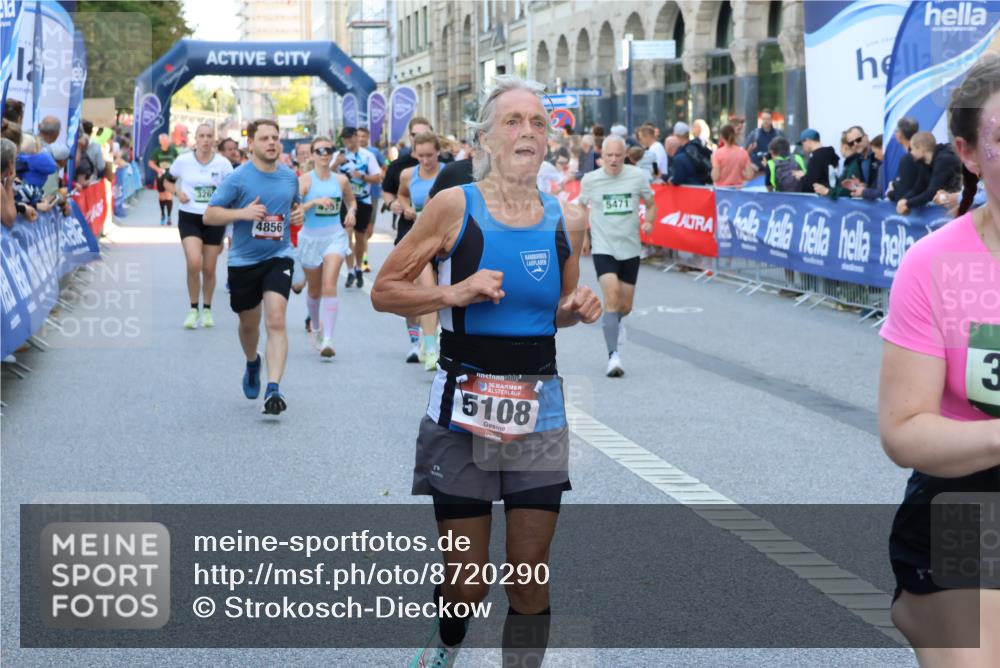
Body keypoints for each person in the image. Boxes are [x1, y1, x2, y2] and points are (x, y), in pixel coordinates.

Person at [371, 76, 601, 668]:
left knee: (528, 580)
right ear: (484, 138)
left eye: (538, 122)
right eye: (513, 121)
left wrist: (574, 311)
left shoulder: (568, 217)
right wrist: (455, 292)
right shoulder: (454, 205)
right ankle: (446, 641)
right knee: (468, 584)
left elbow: (555, 311)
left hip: (539, 412)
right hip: (461, 411)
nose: (527, 131)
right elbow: (385, 290)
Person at [877, 55, 1000, 666]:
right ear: (970, 153)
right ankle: (930, 605)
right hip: (971, 499)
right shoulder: (935, 265)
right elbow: (903, 429)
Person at [203, 119, 304, 415]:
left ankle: (273, 388)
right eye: (264, 138)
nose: (271, 142)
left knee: (276, 320)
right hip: (244, 260)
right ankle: (252, 362)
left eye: (275, 138)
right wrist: (243, 213)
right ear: (251, 145)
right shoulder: (238, 178)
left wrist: (297, 217)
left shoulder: (289, 177)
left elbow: (293, 208)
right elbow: (210, 215)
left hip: (279, 255)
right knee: (249, 324)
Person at [577, 135, 656, 377]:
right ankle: (613, 357)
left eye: (618, 156)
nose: (613, 160)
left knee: (625, 305)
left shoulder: (636, 176)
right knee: (611, 298)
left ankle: (616, 322)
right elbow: (581, 206)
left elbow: (651, 203)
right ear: (602, 156)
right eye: (609, 155)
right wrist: (585, 237)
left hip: (630, 248)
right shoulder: (591, 180)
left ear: (625, 156)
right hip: (604, 247)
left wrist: (649, 222)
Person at [169, 123, 234, 329]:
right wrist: (178, 193)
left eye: (209, 136)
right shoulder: (183, 161)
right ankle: (193, 308)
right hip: (190, 216)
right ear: (195, 139)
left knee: (209, 268)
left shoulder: (223, 164)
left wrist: (229, 225)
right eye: (202, 136)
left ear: (214, 140)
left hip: (214, 218)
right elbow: (166, 181)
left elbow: (233, 192)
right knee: (194, 262)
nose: (205, 140)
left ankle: (207, 308)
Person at [381, 116, 436, 355]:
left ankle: (430, 339)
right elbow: (390, 193)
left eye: (424, 134)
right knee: (414, 288)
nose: (424, 156)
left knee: (433, 289)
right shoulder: (400, 167)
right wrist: (397, 204)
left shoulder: (445, 167)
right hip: (409, 232)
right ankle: (418, 341)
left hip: (439, 237)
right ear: (410, 139)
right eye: (415, 136)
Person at [297, 136, 356, 358]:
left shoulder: (340, 180)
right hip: (310, 239)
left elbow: (352, 200)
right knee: (314, 290)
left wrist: (351, 212)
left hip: (335, 237)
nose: (324, 154)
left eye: (328, 150)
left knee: (330, 284)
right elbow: (296, 210)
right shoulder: (305, 180)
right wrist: (313, 202)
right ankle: (315, 326)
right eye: (319, 150)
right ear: (312, 154)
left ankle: (328, 339)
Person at [396, 131, 444, 369]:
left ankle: (433, 339)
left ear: (438, 152)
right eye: (421, 155)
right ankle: (431, 349)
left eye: (430, 155)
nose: (425, 161)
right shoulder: (408, 174)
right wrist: (405, 208)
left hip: (446, 242)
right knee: (428, 291)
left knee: (443, 294)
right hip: (420, 242)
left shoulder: (448, 173)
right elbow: (402, 195)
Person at [333, 127, 382, 288]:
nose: (347, 142)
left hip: (363, 200)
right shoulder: (339, 155)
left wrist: (362, 176)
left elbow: (377, 177)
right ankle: (350, 270)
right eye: (344, 139)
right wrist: (336, 164)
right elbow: (327, 174)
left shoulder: (367, 156)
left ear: (356, 137)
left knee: (360, 237)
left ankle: (359, 267)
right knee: (347, 236)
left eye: (349, 138)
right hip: (345, 202)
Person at [896, 131, 962, 214]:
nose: (911, 153)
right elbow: (919, 187)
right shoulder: (924, 162)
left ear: (921, 148)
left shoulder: (944, 160)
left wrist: (908, 204)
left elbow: (931, 192)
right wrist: (904, 199)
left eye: (913, 149)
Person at [357, 126, 386, 273]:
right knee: (359, 230)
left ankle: (361, 255)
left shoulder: (374, 152)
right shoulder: (351, 153)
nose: (361, 139)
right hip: (356, 197)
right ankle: (363, 261)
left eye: (364, 136)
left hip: (373, 195)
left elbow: (384, 167)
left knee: (368, 231)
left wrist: (380, 176)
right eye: (359, 136)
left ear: (368, 138)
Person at [888, 116, 926, 203]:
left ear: (899, 134)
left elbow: (903, 192)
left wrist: (890, 192)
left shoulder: (908, 158)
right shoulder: (923, 153)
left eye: (896, 131)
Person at [797, 128, 840, 195]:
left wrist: (802, 177)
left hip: (821, 201)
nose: (802, 146)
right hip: (833, 195)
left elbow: (810, 185)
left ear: (808, 141)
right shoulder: (830, 154)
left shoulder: (816, 158)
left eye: (802, 143)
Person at [149, 133, 179, 225]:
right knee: (162, 196)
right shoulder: (157, 151)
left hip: (170, 175)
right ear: (160, 142)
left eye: (167, 140)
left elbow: (179, 161)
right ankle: (163, 214)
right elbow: (150, 163)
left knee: (169, 195)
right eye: (164, 141)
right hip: (160, 175)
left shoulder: (173, 150)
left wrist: (176, 170)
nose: (166, 142)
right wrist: (158, 169)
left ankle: (169, 217)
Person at [744, 108, 783, 173]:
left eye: (768, 119)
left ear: (771, 120)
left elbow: (785, 152)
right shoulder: (754, 134)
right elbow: (744, 153)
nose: (765, 121)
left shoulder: (778, 134)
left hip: (774, 169)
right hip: (757, 170)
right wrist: (750, 150)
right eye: (763, 119)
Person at [853, 134, 886, 200]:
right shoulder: (858, 160)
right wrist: (865, 187)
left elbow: (880, 192)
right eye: (851, 143)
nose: (875, 156)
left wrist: (863, 192)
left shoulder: (883, 167)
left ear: (883, 148)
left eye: (875, 152)